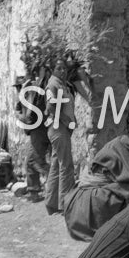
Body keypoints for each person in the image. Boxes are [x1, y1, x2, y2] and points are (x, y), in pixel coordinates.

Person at [63, 134, 129, 241]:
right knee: (128, 196)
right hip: (95, 201)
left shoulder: (104, 155)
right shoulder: (114, 160)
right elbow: (125, 181)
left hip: (77, 212)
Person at [43, 57, 90, 215]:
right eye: (59, 68)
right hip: (58, 128)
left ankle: (51, 203)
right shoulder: (53, 84)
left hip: (61, 128)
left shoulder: (62, 84)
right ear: (53, 70)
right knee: (66, 166)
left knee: (57, 165)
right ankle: (65, 204)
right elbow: (50, 107)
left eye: (64, 68)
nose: (62, 71)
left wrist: (72, 120)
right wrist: (66, 121)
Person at [14, 70, 50, 202]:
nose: (18, 90)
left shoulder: (32, 96)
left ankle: (55, 180)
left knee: (34, 161)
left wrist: (20, 117)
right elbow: (19, 110)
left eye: (20, 87)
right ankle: (34, 191)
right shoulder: (25, 98)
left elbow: (28, 118)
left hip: (39, 131)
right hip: (36, 131)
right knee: (30, 162)